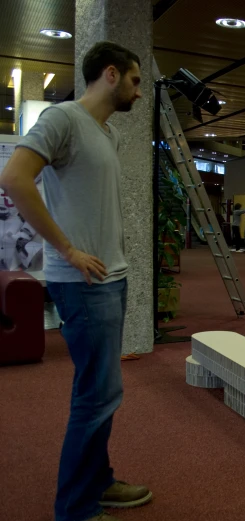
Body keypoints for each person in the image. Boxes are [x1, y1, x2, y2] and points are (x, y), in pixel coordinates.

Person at [0, 42, 151, 521]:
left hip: (112, 276)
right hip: (84, 283)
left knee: (102, 392)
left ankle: (98, 482)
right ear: (110, 74)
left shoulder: (107, 134)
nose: (139, 92)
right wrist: (66, 250)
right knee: (96, 395)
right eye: (135, 80)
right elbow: (15, 179)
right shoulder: (63, 119)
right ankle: (75, 509)